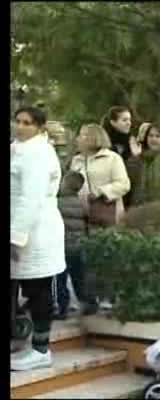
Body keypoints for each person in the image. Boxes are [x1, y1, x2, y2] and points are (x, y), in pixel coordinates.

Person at [11, 106, 66, 371]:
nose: (20, 126)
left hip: (35, 232)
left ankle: (41, 350)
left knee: (37, 289)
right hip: (22, 228)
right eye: (17, 121)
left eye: (27, 123)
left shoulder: (37, 154)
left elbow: (29, 199)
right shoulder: (19, 148)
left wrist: (16, 237)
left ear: (40, 127)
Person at [53, 171, 98, 320]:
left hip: (62, 246)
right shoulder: (81, 203)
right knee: (80, 277)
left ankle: (62, 307)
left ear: (64, 184)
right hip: (78, 246)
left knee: (60, 279)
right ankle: (89, 303)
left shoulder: (56, 203)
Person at [69, 124, 131, 227]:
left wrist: (99, 192)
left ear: (95, 137)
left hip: (107, 212)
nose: (78, 139)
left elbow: (124, 184)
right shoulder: (76, 160)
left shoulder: (112, 158)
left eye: (83, 135)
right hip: (79, 214)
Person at [126, 124, 160, 206]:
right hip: (140, 206)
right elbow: (130, 181)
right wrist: (136, 158)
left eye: (157, 136)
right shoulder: (137, 158)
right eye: (151, 136)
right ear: (146, 138)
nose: (154, 139)